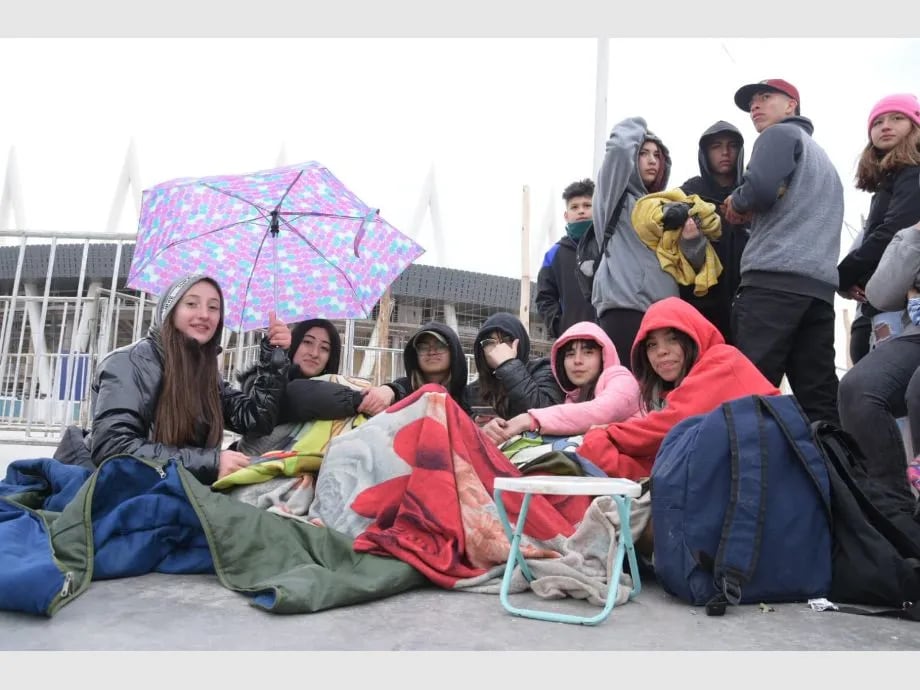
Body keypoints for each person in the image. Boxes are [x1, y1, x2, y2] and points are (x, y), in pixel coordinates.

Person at [86, 274, 291, 484]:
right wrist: (211, 463)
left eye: (213, 308)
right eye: (191, 304)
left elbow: (255, 421)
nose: (204, 314)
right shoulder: (128, 363)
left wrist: (273, 359)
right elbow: (113, 449)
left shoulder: (205, 375)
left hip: (180, 492)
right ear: (170, 311)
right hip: (125, 494)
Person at [723, 78, 844, 425]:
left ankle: (747, 479)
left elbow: (758, 190)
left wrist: (737, 201)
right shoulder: (823, 161)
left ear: (792, 105)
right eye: (751, 103)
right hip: (817, 292)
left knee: (749, 394)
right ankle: (833, 476)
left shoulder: (778, 136)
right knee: (819, 401)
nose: (755, 106)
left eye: (765, 97)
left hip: (772, 285)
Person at [576, 297, 780, 481]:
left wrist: (604, 435)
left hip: (775, 475)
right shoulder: (675, 393)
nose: (661, 351)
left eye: (672, 339)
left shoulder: (722, 360)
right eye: (651, 345)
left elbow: (671, 425)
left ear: (693, 336)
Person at [591, 116, 710, 366]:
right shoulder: (613, 198)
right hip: (626, 311)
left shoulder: (670, 206)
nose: (652, 160)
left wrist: (692, 241)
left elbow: (692, 268)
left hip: (667, 318)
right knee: (627, 394)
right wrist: (640, 124)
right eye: (644, 153)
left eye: (657, 154)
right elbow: (620, 148)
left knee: (662, 400)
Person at [838, 221, 920, 502]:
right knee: (857, 388)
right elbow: (880, 295)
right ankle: (894, 513)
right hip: (916, 333)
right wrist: (916, 235)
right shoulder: (908, 236)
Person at [837, 93, 920, 350]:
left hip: (906, 298)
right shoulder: (892, 178)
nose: (885, 126)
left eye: (897, 118)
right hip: (890, 296)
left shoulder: (913, 171)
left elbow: (896, 230)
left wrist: (843, 274)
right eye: (877, 122)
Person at [481, 321, 639, 444]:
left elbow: (603, 411)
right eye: (570, 354)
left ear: (604, 355)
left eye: (588, 352)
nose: (577, 361)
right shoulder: (571, 398)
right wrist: (500, 429)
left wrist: (527, 420)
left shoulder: (621, 377)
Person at [678, 120, 749, 344]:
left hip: (747, 299)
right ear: (705, 152)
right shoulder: (690, 193)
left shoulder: (751, 192)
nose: (725, 152)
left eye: (732, 145)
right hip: (702, 300)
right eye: (716, 146)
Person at [356, 322, 470, 416]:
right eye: (423, 347)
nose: (431, 351)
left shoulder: (467, 396)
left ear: (454, 352)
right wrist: (386, 390)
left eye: (440, 346)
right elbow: (396, 390)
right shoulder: (405, 388)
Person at [466, 312, 564, 420]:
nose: (499, 347)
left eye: (507, 340)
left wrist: (508, 364)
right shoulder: (472, 390)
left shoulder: (542, 370)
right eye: (489, 342)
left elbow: (547, 414)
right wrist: (478, 424)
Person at [535, 178, 599, 338]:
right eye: (574, 207)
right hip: (571, 340)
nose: (581, 211)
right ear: (566, 214)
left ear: (598, 208)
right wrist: (560, 326)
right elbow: (544, 298)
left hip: (610, 337)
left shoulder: (609, 246)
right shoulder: (554, 254)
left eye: (587, 205)